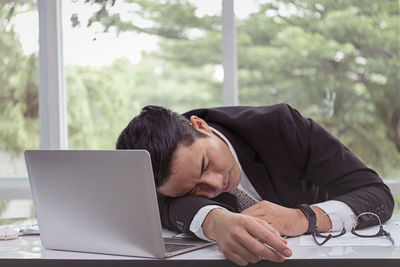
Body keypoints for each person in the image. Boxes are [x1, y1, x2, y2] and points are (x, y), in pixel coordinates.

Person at [116, 103, 394, 266]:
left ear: (201, 126)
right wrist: (214, 220)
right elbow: (165, 205)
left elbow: (376, 193)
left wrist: (302, 217)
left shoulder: (281, 126)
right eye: (192, 190)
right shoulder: (159, 179)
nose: (214, 185)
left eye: (205, 164)